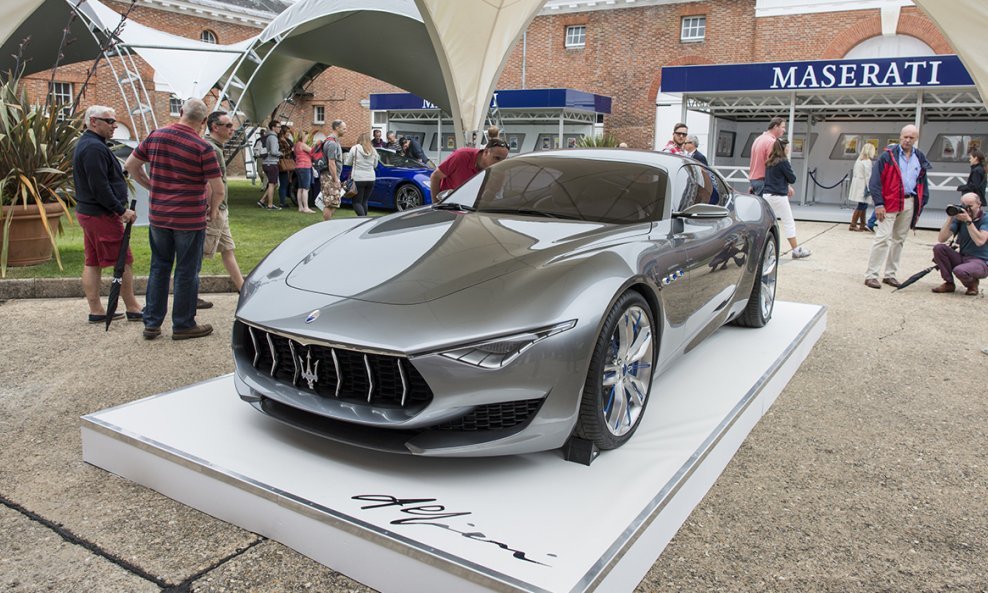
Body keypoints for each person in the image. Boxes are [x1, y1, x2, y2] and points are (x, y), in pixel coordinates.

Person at [124, 98, 223, 340]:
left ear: (181, 112)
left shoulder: (155, 136)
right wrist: (212, 211)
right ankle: (183, 324)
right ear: (202, 122)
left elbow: (131, 165)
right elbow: (218, 189)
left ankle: (152, 322)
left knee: (159, 267)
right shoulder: (203, 147)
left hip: (160, 216)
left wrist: (151, 186)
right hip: (190, 219)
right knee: (187, 271)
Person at [73, 105, 143, 324]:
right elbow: (99, 186)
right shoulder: (93, 148)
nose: (114, 125)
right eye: (109, 121)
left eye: (114, 121)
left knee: (92, 261)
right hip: (100, 214)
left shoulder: (92, 145)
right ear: (93, 122)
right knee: (122, 260)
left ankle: (97, 310)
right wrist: (120, 210)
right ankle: (133, 307)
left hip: (91, 212)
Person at [864, 124, 931, 290]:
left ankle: (890, 274)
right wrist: (879, 203)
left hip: (909, 201)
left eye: (911, 138)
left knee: (899, 240)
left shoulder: (919, 157)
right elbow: (875, 181)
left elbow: (922, 181)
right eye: (905, 137)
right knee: (882, 238)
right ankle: (871, 275)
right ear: (900, 137)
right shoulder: (887, 156)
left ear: (916, 139)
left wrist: (921, 203)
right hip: (889, 202)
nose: (908, 140)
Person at [202, 110, 244, 292]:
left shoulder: (215, 147)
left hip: (221, 209)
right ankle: (189, 297)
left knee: (228, 249)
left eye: (232, 125)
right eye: (227, 125)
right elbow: (209, 182)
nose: (232, 129)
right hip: (215, 210)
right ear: (214, 127)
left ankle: (243, 288)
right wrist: (213, 208)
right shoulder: (212, 149)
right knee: (198, 254)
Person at [931, 193, 987, 295]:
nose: (967, 209)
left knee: (959, 270)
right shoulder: (960, 218)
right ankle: (949, 283)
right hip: (963, 257)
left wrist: (969, 222)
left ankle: (972, 285)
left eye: (970, 206)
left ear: (979, 204)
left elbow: (980, 241)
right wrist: (950, 218)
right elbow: (942, 238)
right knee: (939, 248)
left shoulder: (985, 219)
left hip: (981, 261)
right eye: (964, 205)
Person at [763, 138, 811, 259]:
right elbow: (792, 178)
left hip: (767, 195)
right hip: (779, 196)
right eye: (788, 147)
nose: (789, 149)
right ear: (783, 148)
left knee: (766, 224)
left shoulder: (769, 161)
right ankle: (796, 251)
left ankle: (763, 250)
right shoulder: (783, 161)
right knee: (788, 222)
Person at [430, 138, 509, 195]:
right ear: (486, 152)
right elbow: (435, 176)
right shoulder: (460, 156)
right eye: (497, 158)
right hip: (449, 206)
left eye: (503, 159)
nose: (500, 163)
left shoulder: (499, 171)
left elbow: (491, 196)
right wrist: (436, 203)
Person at [748, 116, 787, 196]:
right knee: (768, 207)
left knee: (759, 207)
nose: (784, 130)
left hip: (754, 180)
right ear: (776, 127)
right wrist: (787, 185)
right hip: (765, 182)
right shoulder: (771, 142)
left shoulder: (758, 139)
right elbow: (775, 165)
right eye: (783, 127)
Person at [347, 132, 379, 216]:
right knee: (364, 201)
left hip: (358, 178)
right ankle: (365, 220)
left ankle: (363, 220)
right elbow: (375, 165)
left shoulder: (355, 148)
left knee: (357, 203)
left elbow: (348, 162)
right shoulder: (373, 150)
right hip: (371, 178)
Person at [320, 119, 346, 220]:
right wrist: (335, 179)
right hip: (329, 176)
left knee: (334, 202)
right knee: (330, 203)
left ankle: (328, 224)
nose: (346, 130)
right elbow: (331, 162)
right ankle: (326, 226)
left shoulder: (333, 141)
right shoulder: (332, 143)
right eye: (344, 128)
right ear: (337, 128)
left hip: (330, 175)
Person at [847, 143, 876, 231]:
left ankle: (862, 224)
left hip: (858, 183)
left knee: (863, 204)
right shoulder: (867, 161)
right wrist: (870, 187)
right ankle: (853, 224)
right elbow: (868, 176)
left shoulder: (859, 159)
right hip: (863, 184)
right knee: (862, 205)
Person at [258, 121, 282, 210]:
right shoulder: (273, 137)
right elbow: (273, 151)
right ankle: (270, 205)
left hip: (266, 162)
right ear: (273, 127)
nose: (280, 128)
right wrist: (280, 153)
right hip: (271, 162)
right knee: (272, 184)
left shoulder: (267, 136)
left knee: (274, 184)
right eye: (278, 127)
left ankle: (262, 200)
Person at [293, 131, 315, 213]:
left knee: (300, 188)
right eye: (306, 137)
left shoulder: (296, 145)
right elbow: (313, 151)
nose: (307, 138)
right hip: (305, 167)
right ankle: (306, 207)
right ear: (303, 136)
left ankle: (300, 207)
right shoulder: (302, 145)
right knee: (306, 188)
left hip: (298, 167)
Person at [277, 124, 295, 208]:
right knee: (283, 183)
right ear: (283, 132)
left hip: (289, 163)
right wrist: (291, 151)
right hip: (284, 164)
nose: (288, 133)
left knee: (286, 183)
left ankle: (283, 201)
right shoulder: (280, 141)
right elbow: (282, 153)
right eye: (287, 131)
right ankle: (282, 202)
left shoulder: (287, 140)